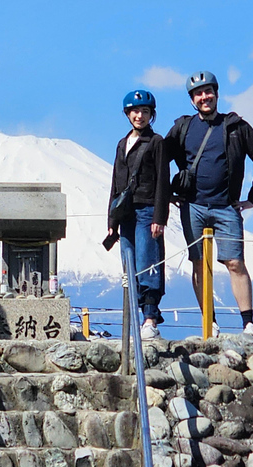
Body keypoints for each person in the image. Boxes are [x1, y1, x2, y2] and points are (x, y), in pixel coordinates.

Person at [165, 70, 253, 338]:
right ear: (192, 100)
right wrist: (167, 193)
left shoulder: (236, 127)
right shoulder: (183, 127)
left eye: (208, 91)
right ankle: (209, 322)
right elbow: (159, 157)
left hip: (227, 207)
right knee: (199, 263)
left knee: (235, 263)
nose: (204, 97)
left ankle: (248, 323)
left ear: (217, 93)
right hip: (193, 206)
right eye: (198, 94)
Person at [108, 90, 170, 340]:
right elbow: (115, 183)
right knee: (129, 268)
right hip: (125, 216)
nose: (139, 115)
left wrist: (159, 218)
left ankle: (150, 319)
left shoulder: (156, 142)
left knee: (148, 264)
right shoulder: (122, 144)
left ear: (151, 114)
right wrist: (111, 222)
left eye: (145, 111)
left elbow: (163, 183)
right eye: (134, 111)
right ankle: (133, 319)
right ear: (127, 113)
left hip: (147, 212)